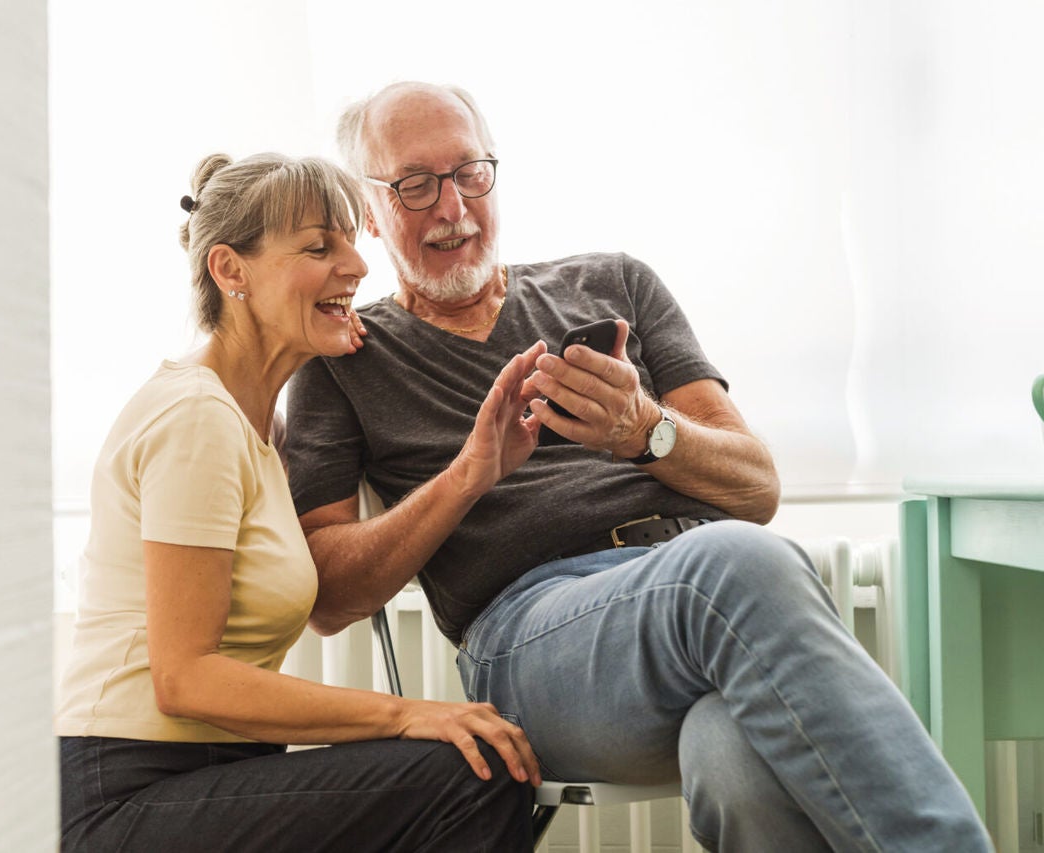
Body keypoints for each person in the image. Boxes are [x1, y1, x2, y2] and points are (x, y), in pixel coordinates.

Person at [284, 82, 992, 851]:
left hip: (700, 595)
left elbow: (756, 487)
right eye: (416, 185)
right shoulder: (343, 356)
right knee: (734, 566)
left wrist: (647, 431)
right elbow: (327, 595)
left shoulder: (613, 283)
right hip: (533, 642)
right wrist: (469, 475)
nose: (453, 208)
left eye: (470, 173)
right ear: (368, 206)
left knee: (730, 750)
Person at [54, 151, 541, 853]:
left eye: (349, 239)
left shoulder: (259, 426)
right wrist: (404, 714)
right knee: (473, 771)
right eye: (319, 247)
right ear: (230, 271)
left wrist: (475, 471)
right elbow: (183, 677)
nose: (358, 265)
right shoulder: (196, 417)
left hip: (216, 773)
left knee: (472, 764)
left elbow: (322, 614)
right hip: (127, 793)